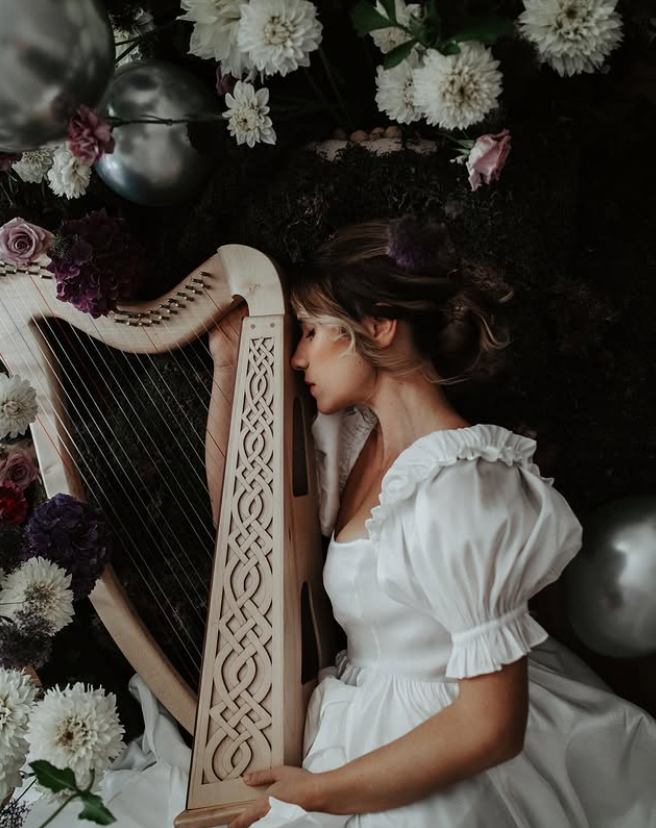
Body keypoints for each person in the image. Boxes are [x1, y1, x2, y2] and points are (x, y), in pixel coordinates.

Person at [228, 217, 656, 828]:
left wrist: (321, 793)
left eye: (313, 330)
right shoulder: (351, 443)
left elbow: (489, 729)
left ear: (378, 326)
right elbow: (243, 521)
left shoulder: (465, 487)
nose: (297, 357)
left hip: (442, 740)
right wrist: (228, 365)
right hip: (355, 722)